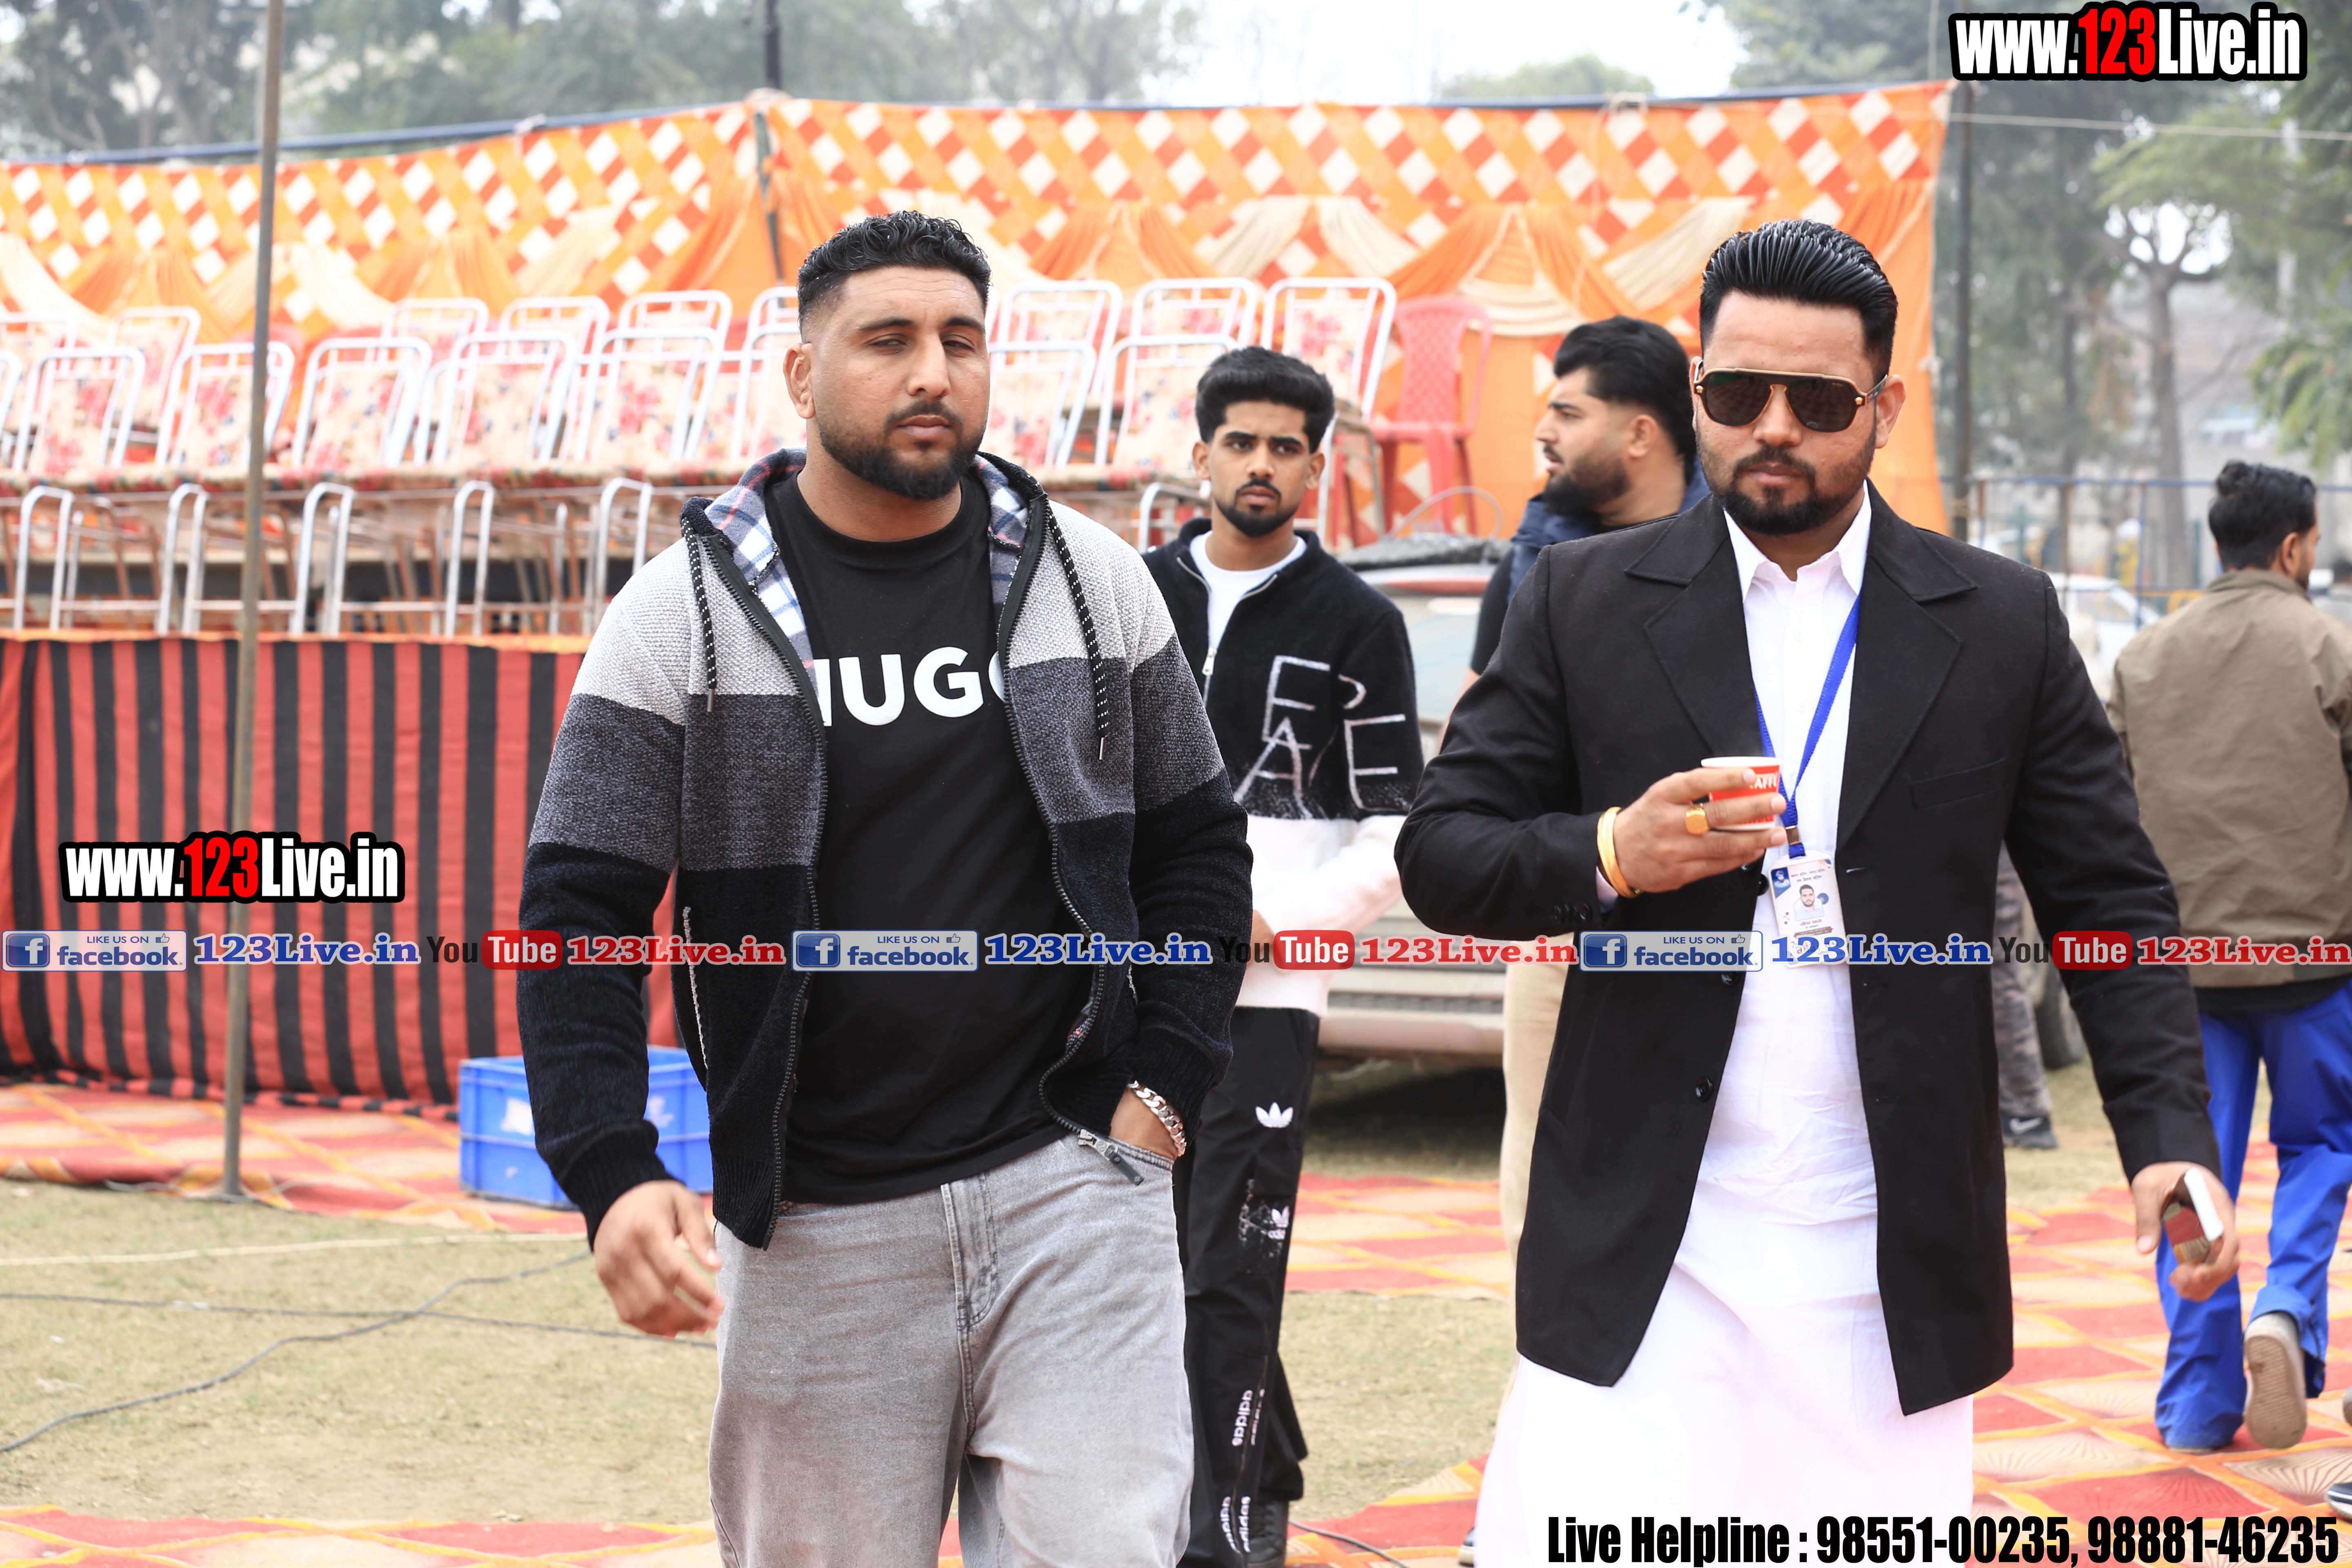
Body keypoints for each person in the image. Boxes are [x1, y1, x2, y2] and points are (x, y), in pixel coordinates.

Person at [1396, 218, 2236, 1549]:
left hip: (1883, 1250)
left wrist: (2170, 1135)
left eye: (1819, 400)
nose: (1773, 427)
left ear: (1883, 407)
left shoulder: (2000, 620)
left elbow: (2109, 900)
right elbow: (1443, 854)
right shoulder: (1581, 600)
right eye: (1738, 394)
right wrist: (1609, 852)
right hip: (1646, 1239)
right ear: (1697, 391)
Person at [515, 211, 1254, 1566]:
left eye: (962, 340)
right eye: (889, 340)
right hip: (817, 1230)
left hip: (1074, 1196)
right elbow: (580, 916)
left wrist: (1160, 1086)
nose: (933, 371)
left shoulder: (1092, 587)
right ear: (802, 376)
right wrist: (611, 1169)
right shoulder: (676, 618)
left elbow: (1199, 851)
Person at [1143, 347, 1422, 1567]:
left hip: (1270, 996)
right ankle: (1261, 1462)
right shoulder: (1128, 598)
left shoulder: (1359, 623)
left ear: (1317, 465)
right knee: (1147, 1262)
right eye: (1241, 442)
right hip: (1130, 991)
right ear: (1201, 452)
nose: (1261, 465)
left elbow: (1396, 829)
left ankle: (1227, 1535)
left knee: (1231, 1265)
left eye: (1286, 448)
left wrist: (1283, 918)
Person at [1457, 314, 1707, 1568]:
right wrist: (1597, 849)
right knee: (1544, 1222)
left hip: (1728, 962)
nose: (1542, 432)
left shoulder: (1742, 560)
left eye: (1566, 411)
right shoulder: (1536, 562)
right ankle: (1545, 1501)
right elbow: (1476, 787)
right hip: (1568, 942)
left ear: (1641, 432)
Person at [2107, 460, 2352, 1452]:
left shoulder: (2143, 658)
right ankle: (2285, 1308)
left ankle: (2199, 1399)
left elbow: (2103, 823)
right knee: (2322, 1146)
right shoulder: (2331, 648)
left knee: (2188, 1171)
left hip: (2181, 973)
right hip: (2316, 962)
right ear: (2294, 547)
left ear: (2220, 545)